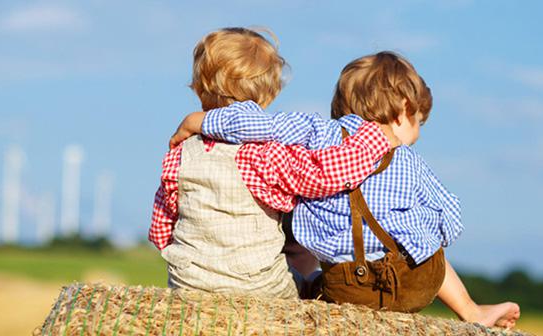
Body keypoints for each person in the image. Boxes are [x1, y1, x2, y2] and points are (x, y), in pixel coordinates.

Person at [171, 51, 521, 328]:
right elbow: (451, 219)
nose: (418, 135)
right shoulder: (410, 161)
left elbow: (257, 123)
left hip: (345, 289)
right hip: (414, 284)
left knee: (311, 268)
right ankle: (471, 311)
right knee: (429, 242)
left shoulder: (316, 134)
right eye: (420, 124)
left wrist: (199, 120)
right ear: (404, 112)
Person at [149, 27, 398, 299]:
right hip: (256, 283)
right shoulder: (265, 152)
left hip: (188, 281)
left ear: (197, 88)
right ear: (270, 94)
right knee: (312, 285)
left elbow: (162, 224)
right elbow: (322, 176)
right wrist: (374, 140)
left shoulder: (181, 152)